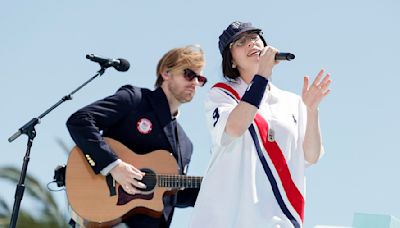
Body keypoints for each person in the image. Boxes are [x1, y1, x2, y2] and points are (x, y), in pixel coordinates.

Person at [189, 21, 331, 228]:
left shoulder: (292, 101)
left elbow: (312, 156)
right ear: (232, 62)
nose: (251, 44)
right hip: (227, 220)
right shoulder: (222, 94)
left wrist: (311, 110)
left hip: (279, 219)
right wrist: (261, 75)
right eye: (240, 42)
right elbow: (235, 128)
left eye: (255, 38)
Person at [66, 45, 207, 228]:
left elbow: (170, 195)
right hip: (108, 219)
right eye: (189, 74)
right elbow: (80, 121)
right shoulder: (135, 99)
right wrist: (115, 166)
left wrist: (210, 190)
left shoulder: (186, 145)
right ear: (166, 73)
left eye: (200, 78)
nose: (195, 82)